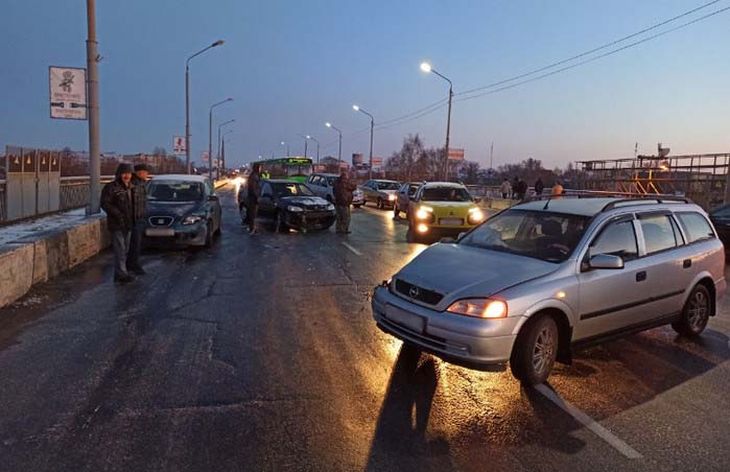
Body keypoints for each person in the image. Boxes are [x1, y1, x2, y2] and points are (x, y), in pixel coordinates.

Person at [100, 163, 135, 284]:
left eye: (129, 173)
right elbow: (105, 203)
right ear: (119, 174)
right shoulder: (111, 187)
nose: (127, 176)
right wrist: (117, 214)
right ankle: (122, 274)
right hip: (117, 223)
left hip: (128, 223)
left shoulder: (131, 187)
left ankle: (119, 273)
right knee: (120, 249)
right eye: (124, 173)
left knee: (125, 249)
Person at [127, 163, 151, 275]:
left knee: (136, 243)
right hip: (134, 218)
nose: (147, 174)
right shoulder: (133, 184)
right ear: (139, 172)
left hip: (139, 216)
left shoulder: (141, 184)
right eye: (145, 172)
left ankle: (133, 264)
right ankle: (132, 265)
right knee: (134, 243)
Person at [247, 164, 262, 234]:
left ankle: (252, 228)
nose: (260, 169)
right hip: (253, 197)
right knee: (253, 213)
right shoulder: (254, 177)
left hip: (252, 197)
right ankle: (252, 228)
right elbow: (254, 188)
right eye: (259, 168)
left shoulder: (253, 176)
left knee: (252, 213)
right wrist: (257, 197)